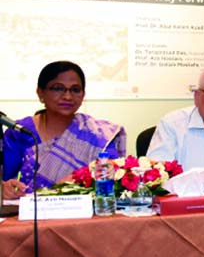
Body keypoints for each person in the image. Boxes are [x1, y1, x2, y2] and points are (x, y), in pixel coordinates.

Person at [2, 61, 126, 199]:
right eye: (58, 88)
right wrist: (5, 188)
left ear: (83, 95)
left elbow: (112, 174)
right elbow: (4, 178)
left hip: (83, 213)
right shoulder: (20, 132)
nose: (68, 96)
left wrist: (77, 179)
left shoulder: (97, 134)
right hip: (31, 213)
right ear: (40, 93)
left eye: (75, 90)